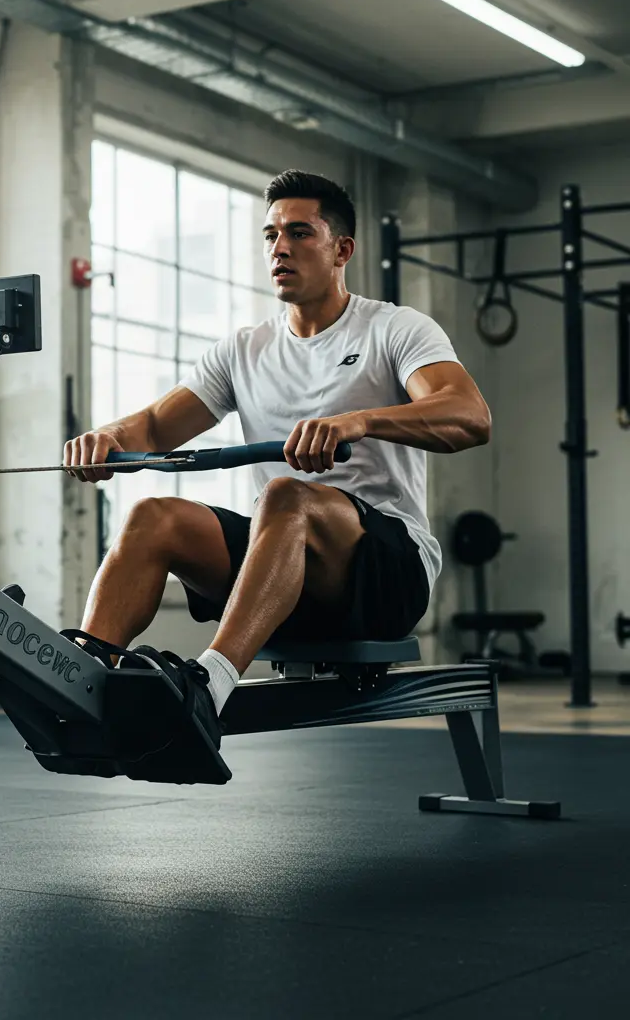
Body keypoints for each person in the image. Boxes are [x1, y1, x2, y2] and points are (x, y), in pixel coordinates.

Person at [64, 170, 490, 750]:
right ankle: (78, 685)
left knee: (286, 495)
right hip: (283, 578)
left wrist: (360, 419)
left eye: (299, 232)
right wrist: (108, 437)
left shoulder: (394, 329)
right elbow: (156, 427)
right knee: (151, 517)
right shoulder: (245, 349)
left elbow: (469, 416)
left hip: (386, 576)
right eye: (270, 235)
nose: (280, 247)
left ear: (342, 249)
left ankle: (207, 688)